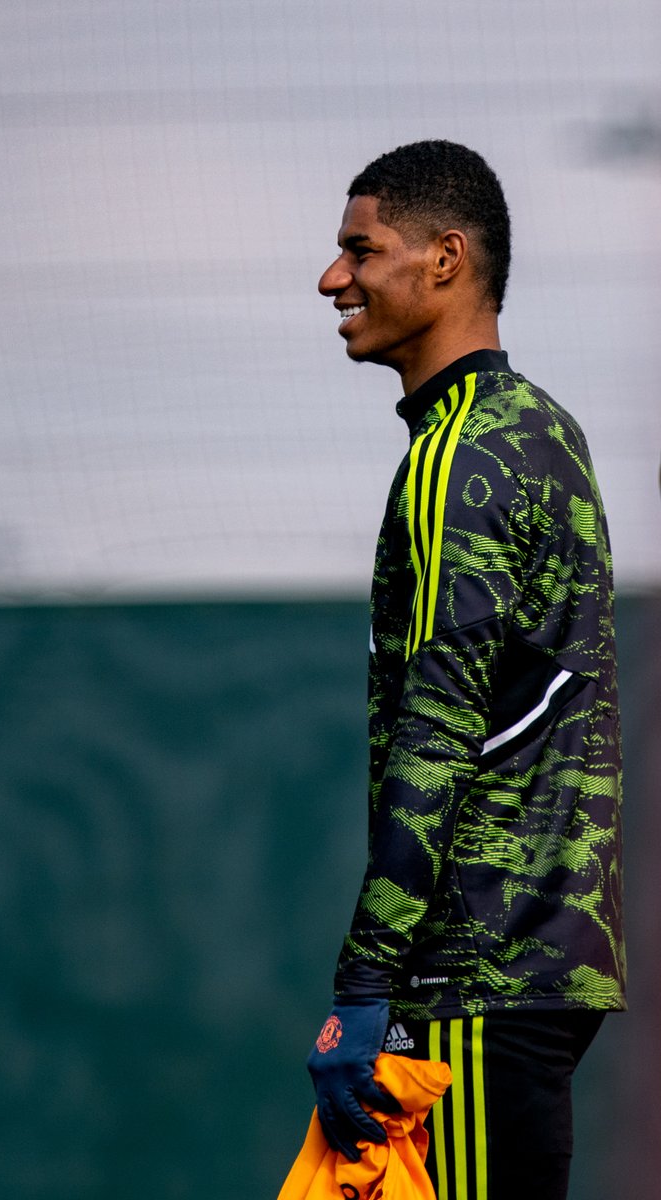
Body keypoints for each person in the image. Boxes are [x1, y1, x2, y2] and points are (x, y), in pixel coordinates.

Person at [306, 140, 625, 1200]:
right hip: (542, 970)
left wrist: (364, 986)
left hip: (475, 986)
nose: (332, 277)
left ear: (444, 261)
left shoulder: (458, 456)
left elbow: (440, 732)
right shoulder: (549, 430)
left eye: (361, 249)